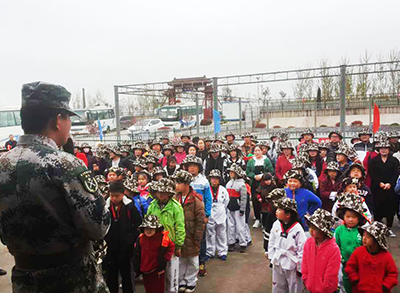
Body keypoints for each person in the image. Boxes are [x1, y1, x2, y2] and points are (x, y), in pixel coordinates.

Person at [0, 81, 110, 292]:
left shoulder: (3, 164)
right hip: (72, 280)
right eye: (69, 118)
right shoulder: (65, 163)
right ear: (58, 120)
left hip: (24, 279)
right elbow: (98, 227)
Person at [146, 178, 185, 293]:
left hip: (170, 246)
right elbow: (147, 224)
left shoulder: (176, 207)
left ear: (169, 193)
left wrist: (178, 245)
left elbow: (180, 227)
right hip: (155, 245)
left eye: (163, 192)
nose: (161, 194)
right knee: (156, 273)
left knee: (171, 273)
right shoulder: (152, 206)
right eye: (159, 192)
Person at [104, 180, 142, 293]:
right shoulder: (105, 206)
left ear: (123, 193)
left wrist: (131, 238)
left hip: (126, 247)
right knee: (111, 275)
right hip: (110, 246)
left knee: (127, 275)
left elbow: (137, 223)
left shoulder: (130, 207)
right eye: (112, 195)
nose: (114, 198)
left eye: (117, 196)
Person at [173, 170, 205, 293]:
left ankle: (191, 281)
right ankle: (181, 281)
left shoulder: (196, 200)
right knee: (181, 259)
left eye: (179, 183)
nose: (177, 186)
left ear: (186, 184)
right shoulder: (175, 198)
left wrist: (197, 237)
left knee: (192, 260)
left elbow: (200, 221)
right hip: (180, 234)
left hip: (191, 235)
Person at [345, 221, 398, 293]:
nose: (364, 238)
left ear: (377, 240)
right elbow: (350, 267)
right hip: (360, 289)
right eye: (363, 235)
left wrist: (385, 286)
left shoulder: (386, 256)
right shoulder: (358, 251)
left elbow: (392, 273)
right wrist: (355, 279)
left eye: (368, 236)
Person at [268, 197, 306, 293]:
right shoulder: (276, 224)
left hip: (292, 263)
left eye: (280, 210)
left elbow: (302, 249)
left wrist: (300, 268)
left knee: (294, 287)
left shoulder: (297, 229)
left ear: (288, 214)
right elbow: (271, 241)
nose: (276, 211)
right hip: (278, 259)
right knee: (278, 285)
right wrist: (271, 256)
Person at [183, 155, 212, 277]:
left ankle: (201, 262)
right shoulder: (184, 181)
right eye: (190, 166)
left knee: (201, 239)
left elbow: (208, 199)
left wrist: (207, 214)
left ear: (199, 168)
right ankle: (188, 264)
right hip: (186, 215)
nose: (192, 169)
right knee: (187, 238)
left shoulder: (204, 181)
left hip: (200, 215)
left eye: (194, 166)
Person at [302, 209, 341, 293]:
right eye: (310, 226)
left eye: (315, 228)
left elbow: (331, 273)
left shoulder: (333, 249)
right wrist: (305, 278)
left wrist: (325, 287)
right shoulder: (308, 243)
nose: (311, 231)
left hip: (326, 290)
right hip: (311, 286)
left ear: (323, 231)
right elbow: (304, 262)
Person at [133, 215, 175, 293]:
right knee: (148, 288)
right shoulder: (140, 239)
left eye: (151, 228)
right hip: (144, 269)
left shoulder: (162, 238)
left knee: (158, 289)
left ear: (156, 228)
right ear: (143, 229)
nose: (149, 230)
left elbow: (171, 246)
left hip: (157, 270)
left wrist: (166, 258)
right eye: (147, 228)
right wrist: (137, 267)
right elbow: (137, 253)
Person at [334, 193, 366, 293]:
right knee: (345, 283)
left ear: (359, 218)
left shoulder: (361, 232)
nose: (351, 219)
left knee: (359, 284)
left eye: (354, 217)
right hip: (344, 264)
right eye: (348, 216)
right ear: (343, 217)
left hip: (359, 265)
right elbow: (336, 246)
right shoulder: (339, 230)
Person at [368, 139, 399, 237]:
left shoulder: (394, 160)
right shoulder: (374, 160)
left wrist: (390, 183)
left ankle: (389, 228)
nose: (384, 150)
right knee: (377, 209)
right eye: (381, 148)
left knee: (390, 209)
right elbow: (372, 173)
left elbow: (396, 173)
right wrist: (379, 183)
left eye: (386, 148)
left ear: (389, 149)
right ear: (379, 149)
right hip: (377, 188)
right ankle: (378, 229)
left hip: (390, 189)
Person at [246, 145, 274, 228]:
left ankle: (266, 219)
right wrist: (254, 176)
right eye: (255, 151)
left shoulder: (266, 160)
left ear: (262, 151)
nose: (257, 152)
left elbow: (271, 171)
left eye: (259, 150)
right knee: (255, 201)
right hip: (255, 183)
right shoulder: (251, 161)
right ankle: (257, 219)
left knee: (265, 200)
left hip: (265, 184)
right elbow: (248, 172)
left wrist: (263, 176)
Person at [206, 169, 229, 260]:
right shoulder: (207, 189)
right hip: (210, 212)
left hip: (220, 211)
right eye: (212, 178)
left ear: (219, 179)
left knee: (222, 233)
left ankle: (222, 252)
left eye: (216, 178)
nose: (214, 180)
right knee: (209, 233)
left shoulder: (223, 190)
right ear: (210, 179)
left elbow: (226, 202)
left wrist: (221, 208)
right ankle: (209, 251)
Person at [226, 164, 248, 253]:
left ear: (236, 173)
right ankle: (231, 242)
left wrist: (242, 208)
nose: (230, 174)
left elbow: (243, 198)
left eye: (232, 172)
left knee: (240, 226)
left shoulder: (242, 184)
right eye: (230, 172)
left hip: (238, 208)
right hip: (229, 207)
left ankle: (243, 243)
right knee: (230, 226)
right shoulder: (229, 183)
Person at [256, 173, 277, 241]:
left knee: (271, 215)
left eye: (269, 180)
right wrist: (259, 198)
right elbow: (257, 193)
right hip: (264, 203)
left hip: (271, 203)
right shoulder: (261, 186)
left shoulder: (274, 186)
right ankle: (264, 226)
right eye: (266, 180)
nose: (268, 182)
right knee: (264, 215)